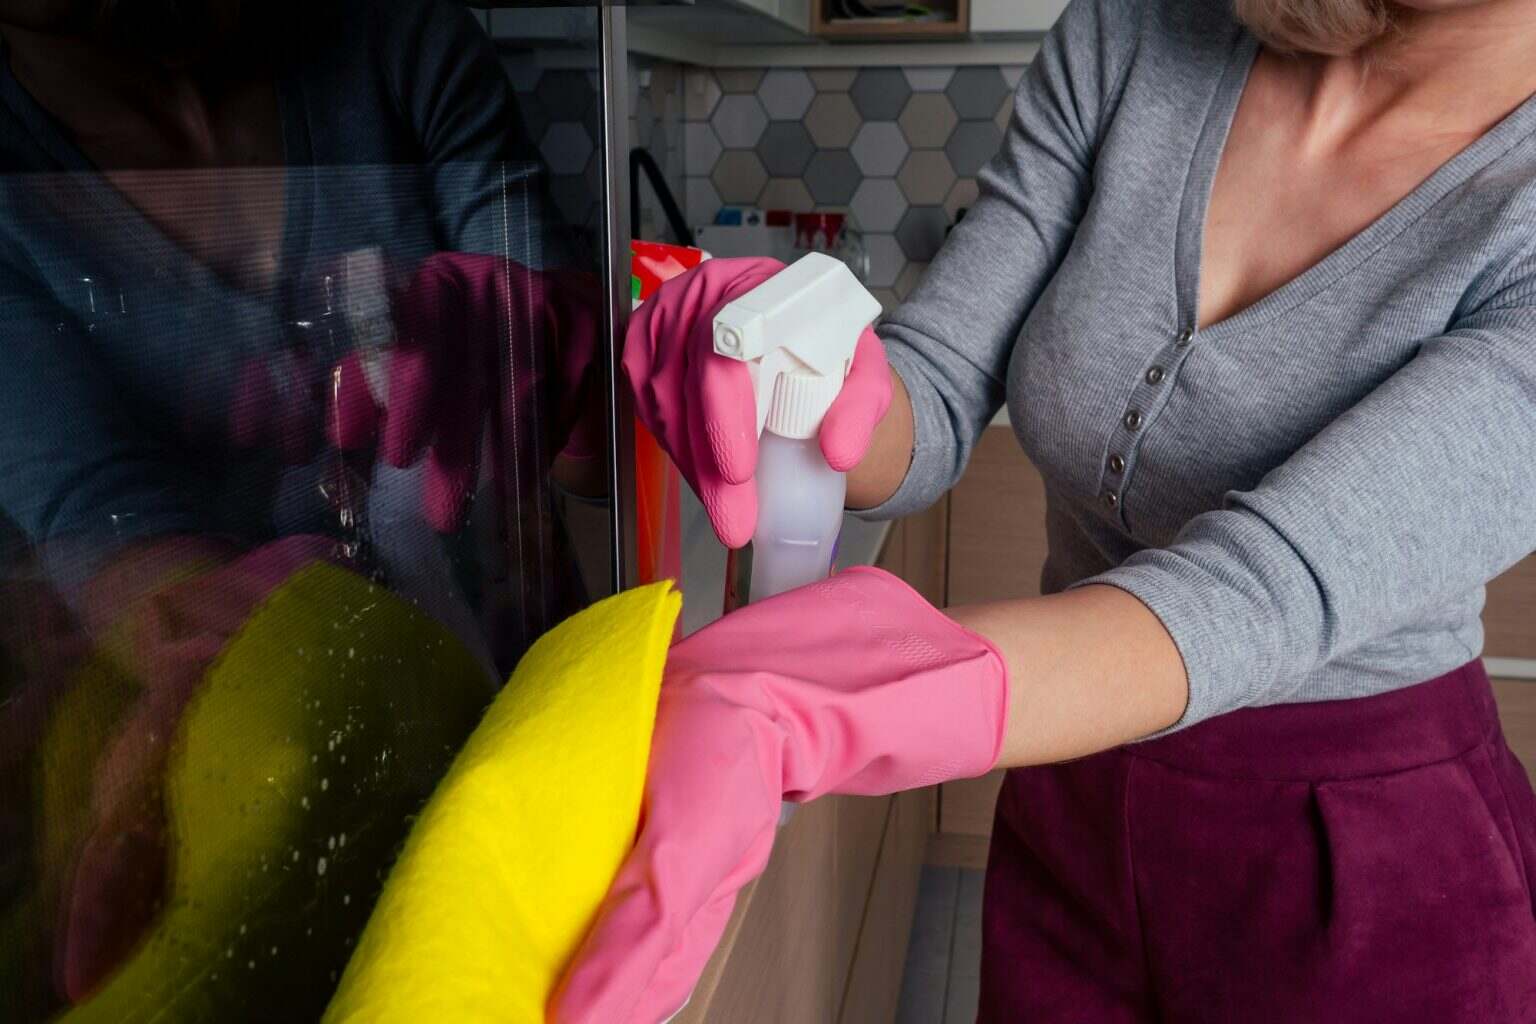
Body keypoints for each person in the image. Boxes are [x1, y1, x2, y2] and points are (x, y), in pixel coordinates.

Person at [554, 0, 1536, 1020]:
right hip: (1065, 789)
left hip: (1359, 860)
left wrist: (852, 691)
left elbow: (1261, 592)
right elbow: (930, 395)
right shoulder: (1139, 36)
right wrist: (793, 357)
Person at [0, 0, 601, 1015]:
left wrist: (554, 351)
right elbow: (93, 500)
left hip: (498, 684)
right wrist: (227, 634)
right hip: (208, 711)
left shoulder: (396, 43)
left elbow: (581, 426)